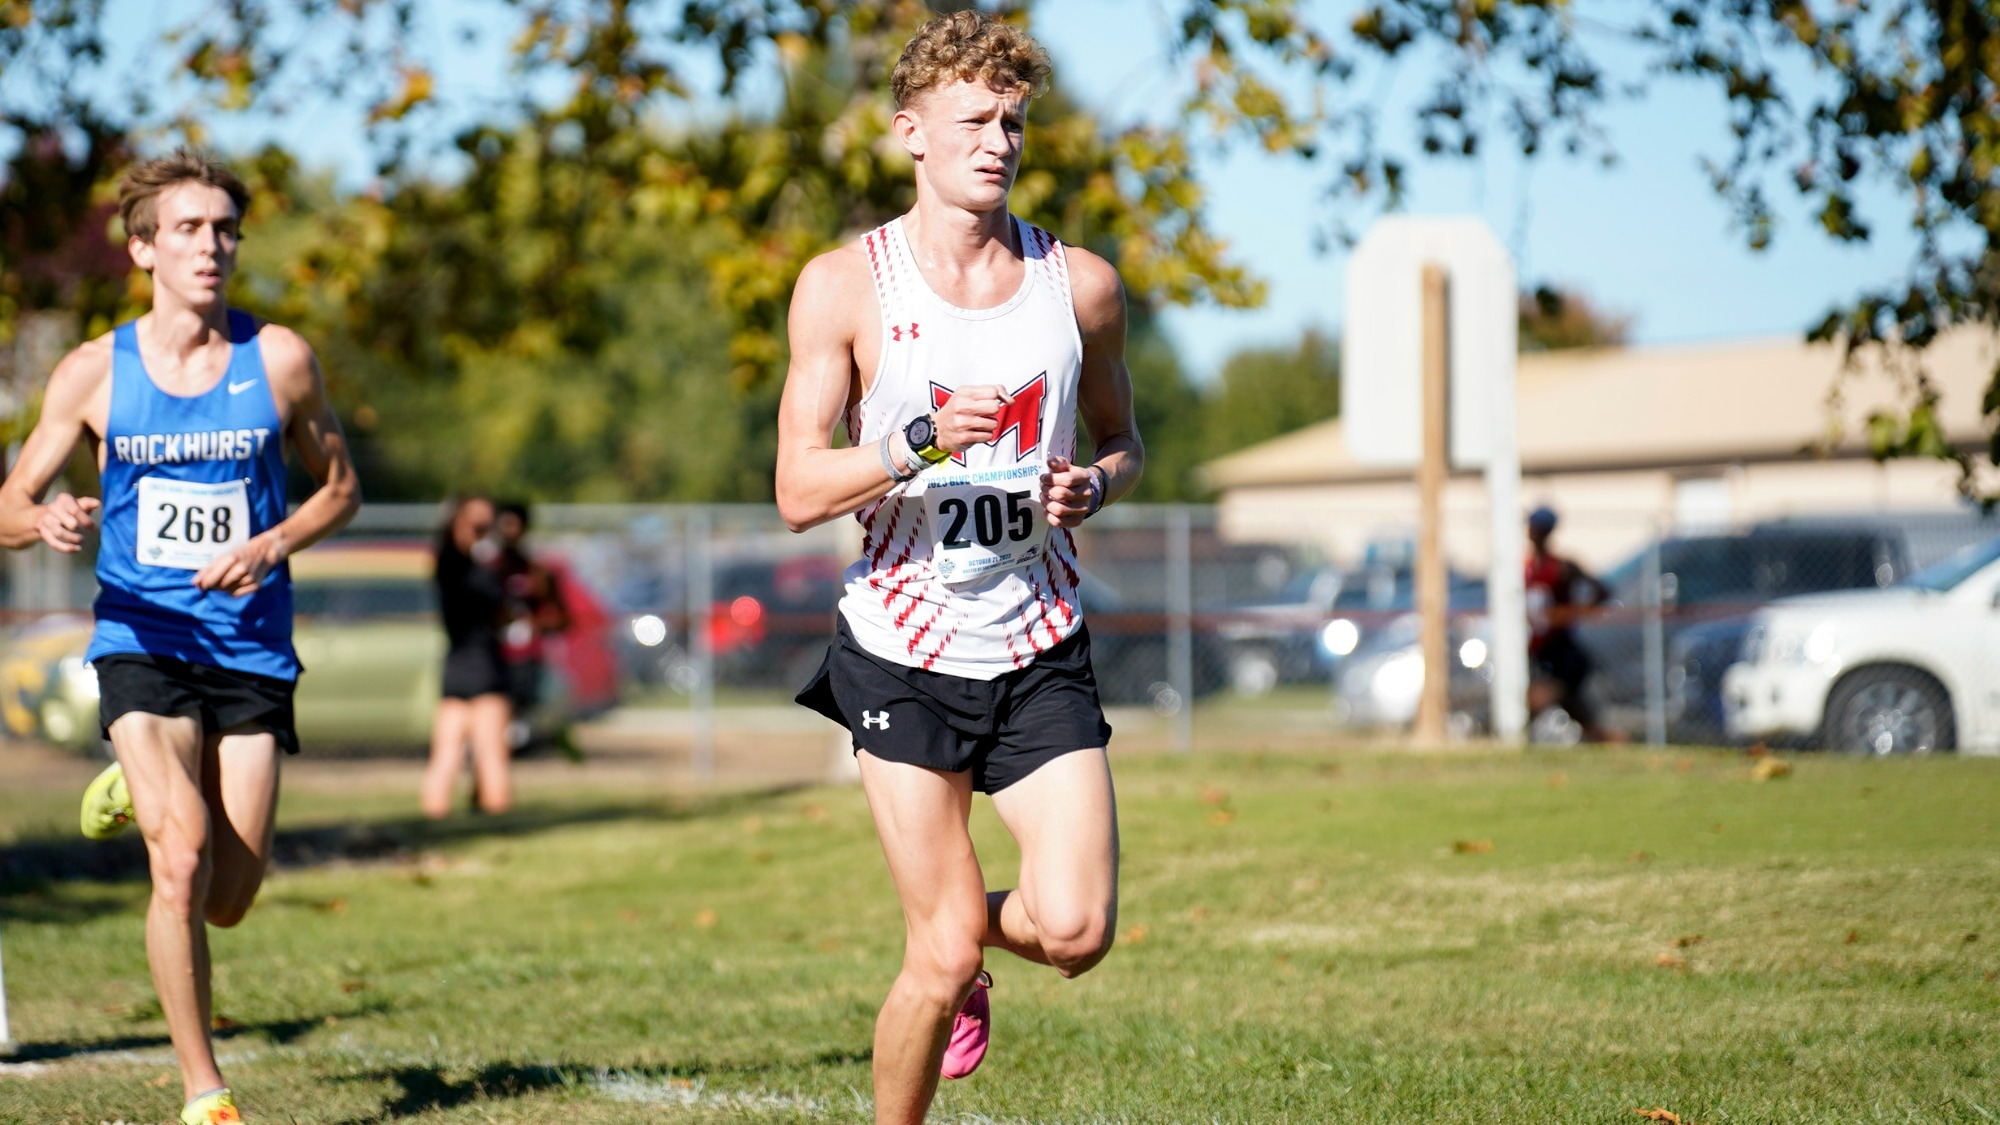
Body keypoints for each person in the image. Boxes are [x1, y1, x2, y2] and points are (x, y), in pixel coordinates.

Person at [777, 13, 1140, 1123]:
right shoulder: (844, 287)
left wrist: (1100, 484)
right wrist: (919, 440)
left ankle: (957, 926)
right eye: (973, 121)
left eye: (1013, 122)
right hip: (899, 652)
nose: (997, 142)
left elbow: (1127, 444)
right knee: (933, 959)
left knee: (1076, 930)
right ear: (909, 134)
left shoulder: (1077, 286)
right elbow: (796, 490)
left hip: (1036, 644)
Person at [0, 150, 361, 1125]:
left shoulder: (277, 360)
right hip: (141, 637)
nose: (212, 246)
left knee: (229, 894)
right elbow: (8, 502)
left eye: (225, 229)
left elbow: (340, 488)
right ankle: (205, 1093)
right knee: (180, 855)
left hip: (248, 647)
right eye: (191, 229)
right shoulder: (92, 372)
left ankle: (148, 785)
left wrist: (273, 542)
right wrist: (43, 521)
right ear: (143, 248)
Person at [420, 495, 515, 817]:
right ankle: (496, 815)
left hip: (456, 668)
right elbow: (503, 613)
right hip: (484, 667)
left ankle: (436, 817)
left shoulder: (453, 567)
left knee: (446, 755)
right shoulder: (471, 569)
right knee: (491, 755)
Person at [1524, 505, 1615, 741]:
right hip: (1537, 651)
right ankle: (1608, 740)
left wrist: (1575, 612)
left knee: (1541, 700)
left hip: (1561, 653)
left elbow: (1602, 590)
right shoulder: (1526, 568)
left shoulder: (1562, 568)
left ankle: (1609, 740)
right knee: (1578, 713)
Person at [495, 500, 569, 750]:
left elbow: (562, 618)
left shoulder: (538, 573)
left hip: (525, 659)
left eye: (513, 524)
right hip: (491, 657)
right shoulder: (487, 570)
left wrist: (534, 624)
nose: (508, 531)